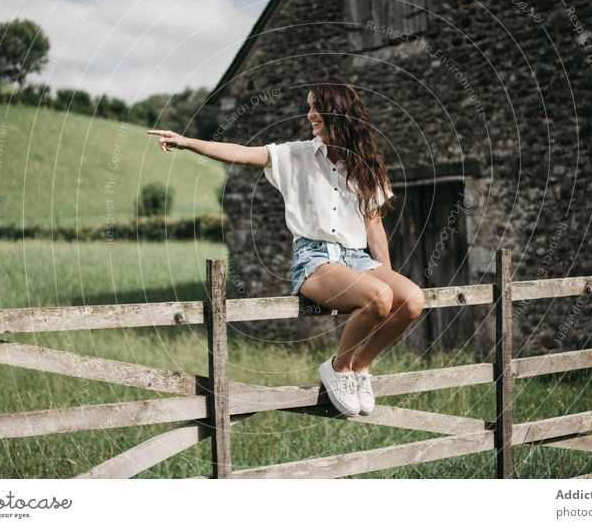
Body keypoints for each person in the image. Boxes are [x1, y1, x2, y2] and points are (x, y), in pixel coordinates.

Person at [147, 76, 425, 418]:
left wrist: (386, 271)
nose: (310, 114)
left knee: (412, 300)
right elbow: (241, 153)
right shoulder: (297, 155)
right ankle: (338, 368)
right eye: (308, 107)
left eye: (315, 107)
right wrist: (187, 142)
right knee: (379, 298)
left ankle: (360, 368)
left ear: (337, 110)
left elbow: (374, 227)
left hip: (356, 259)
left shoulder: (366, 165)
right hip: (316, 260)